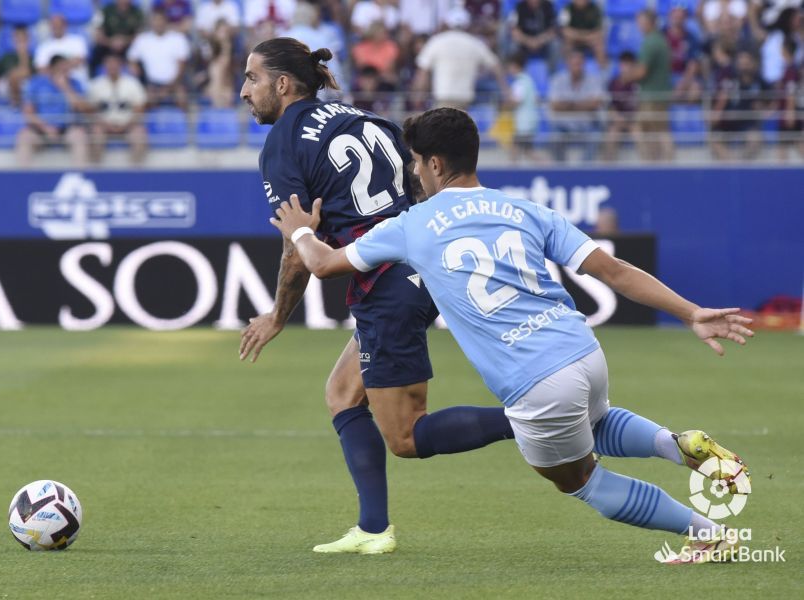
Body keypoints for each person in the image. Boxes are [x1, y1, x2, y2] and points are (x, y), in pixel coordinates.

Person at [271, 107, 755, 565]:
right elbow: (614, 270)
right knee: (595, 420)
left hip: (534, 380)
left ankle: (710, 534)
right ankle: (678, 444)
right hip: (583, 353)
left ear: (435, 164)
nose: (415, 174)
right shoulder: (523, 209)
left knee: (582, 482)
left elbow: (322, 264)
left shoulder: (411, 225)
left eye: (417, 163)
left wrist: (300, 231)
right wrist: (691, 312)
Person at [238, 38, 516, 555]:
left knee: (407, 438)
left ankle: (539, 418)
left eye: (252, 78)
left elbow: (299, 249)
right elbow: (423, 186)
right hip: (420, 264)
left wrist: (277, 317)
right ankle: (372, 529)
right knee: (343, 394)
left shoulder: (283, 145)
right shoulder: (365, 118)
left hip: (385, 283)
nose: (243, 91)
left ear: (282, 84)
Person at [412, 8, 507, 110]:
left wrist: (418, 95)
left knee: (441, 124)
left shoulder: (437, 41)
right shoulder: (474, 43)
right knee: (461, 124)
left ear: (448, 23)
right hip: (464, 98)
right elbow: (495, 65)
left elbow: (423, 71)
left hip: (443, 96)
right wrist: (506, 91)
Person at [16, 54, 91, 166]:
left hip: (67, 129)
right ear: (51, 69)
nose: (64, 72)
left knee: (79, 137)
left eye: (66, 69)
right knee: (24, 137)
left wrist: (65, 87)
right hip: (41, 130)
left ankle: (79, 176)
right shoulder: (36, 83)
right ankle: (24, 178)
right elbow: (28, 113)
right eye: (60, 69)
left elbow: (82, 108)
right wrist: (46, 128)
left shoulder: (75, 84)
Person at [710, 49, 771, 160]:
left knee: (755, 139)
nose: (744, 66)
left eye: (746, 63)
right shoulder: (730, 78)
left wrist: (766, 110)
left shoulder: (759, 80)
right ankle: (732, 164)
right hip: (727, 123)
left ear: (752, 63)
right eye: (741, 63)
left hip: (747, 124)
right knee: (715, 140)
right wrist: (716, 114)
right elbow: (722, 98)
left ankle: (743, 164)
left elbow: (775, 98)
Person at [88, 52, 148, 164]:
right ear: (104, 66)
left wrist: (126, 125)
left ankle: (136, 172)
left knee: (139, 134)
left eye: (115, 63)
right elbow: (92, 110)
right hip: (104, 125)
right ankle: (95, 170)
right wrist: (106, 125)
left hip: (128, 124)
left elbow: (139, 108)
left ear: (121, 65)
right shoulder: (96, 84)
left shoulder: (132, 83)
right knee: (95, 133)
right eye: (109, 64)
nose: (112, 66)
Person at [631, 9, 674, 161]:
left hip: (651, 96)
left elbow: (641, 72)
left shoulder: (650, 42)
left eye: (641, 22)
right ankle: (664, 163)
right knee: (659, 130)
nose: (639, 26)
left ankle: (651, 163)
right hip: (661, 94)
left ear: (649, 23)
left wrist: (626, 76)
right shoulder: (661, 40)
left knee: (638, 129)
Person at [548, 49, 606, 162]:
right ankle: (561, 170)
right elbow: (554, 105)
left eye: (579, 64)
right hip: (564, 126)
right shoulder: (558, 79)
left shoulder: (593, 79)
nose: (577, 67)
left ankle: (583, 170)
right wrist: (583, 105)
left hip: (587, 125)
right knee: (555, 137)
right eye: (574, 64)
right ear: (568, 64)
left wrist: (569, 105)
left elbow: (596, 103)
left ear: (584, 64)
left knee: (596, 136)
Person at [127, 8, 190, 108]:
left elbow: (181, 68)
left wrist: (167, 89)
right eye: (155, 20)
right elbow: (131, 59)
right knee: (142, 103)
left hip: (175, 83)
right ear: (150, 22)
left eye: (161, 20)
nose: (158, 23)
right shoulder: (142, 39)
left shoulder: (178, 38)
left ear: (166, 21)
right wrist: (139, 78)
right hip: (151, 84)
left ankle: (191, 123)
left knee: (183, 99)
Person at [502, 52, 543, 163]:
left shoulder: (520, 82)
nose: (509, 70)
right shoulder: (529, 81)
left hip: (523, 123)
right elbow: (536, 99)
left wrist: (504, 105)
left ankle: (547, 167)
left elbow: (516, 101)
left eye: (509, 66)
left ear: (515, 66)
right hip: (529, 121)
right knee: (525, 150)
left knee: (519, 150)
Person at [603, 51, 641, 161]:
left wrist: (630, 120)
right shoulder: (612, 83)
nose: (627, 68)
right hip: (617, 121)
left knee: (639, 135)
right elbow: (609, 106)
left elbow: (639, 106)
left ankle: (646, 167)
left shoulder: (637, 84)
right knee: (611, 136)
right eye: (624, 65)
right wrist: (618, 118)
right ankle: (607, 168)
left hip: (633, 121)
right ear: (620, 66)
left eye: (630, 65)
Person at [90, 0, 145, 76]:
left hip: (129, 46)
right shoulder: (105, 10)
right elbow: (98, 32)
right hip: (107, 45)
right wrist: (111, 42)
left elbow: (140, 35)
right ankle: (92, 78)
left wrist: (124, 41)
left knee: (142, 54)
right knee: (95, 53)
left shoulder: (137, 12)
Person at [34, 13, 89, 87]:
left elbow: (80, 60)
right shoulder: (43, 47)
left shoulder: (77, 41)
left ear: (65, 25)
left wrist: (55, 67)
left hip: (77, 84)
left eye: (58, 24)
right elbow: (41, 69)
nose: (56, 27)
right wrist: (66, 65)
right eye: (54, 24)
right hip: (51, 86)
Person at [777, 38, 804, 160]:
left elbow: (791, 92)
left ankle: (781, 171)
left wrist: (790, 112)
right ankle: (781, 170)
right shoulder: (789, 68)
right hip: (787, 112)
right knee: (786, 143)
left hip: (789, 113)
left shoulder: (791, 70)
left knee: (794, 142)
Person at [560, 0, 606, 67]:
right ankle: (566, 69)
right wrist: (583, 35)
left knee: (599, 44)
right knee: (566, 43)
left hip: (590, 40)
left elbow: (598, 32)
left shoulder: (595, 9)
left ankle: (602, 70)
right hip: (574, 40)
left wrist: (579, 35)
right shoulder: (567, 9)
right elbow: (564, 30)